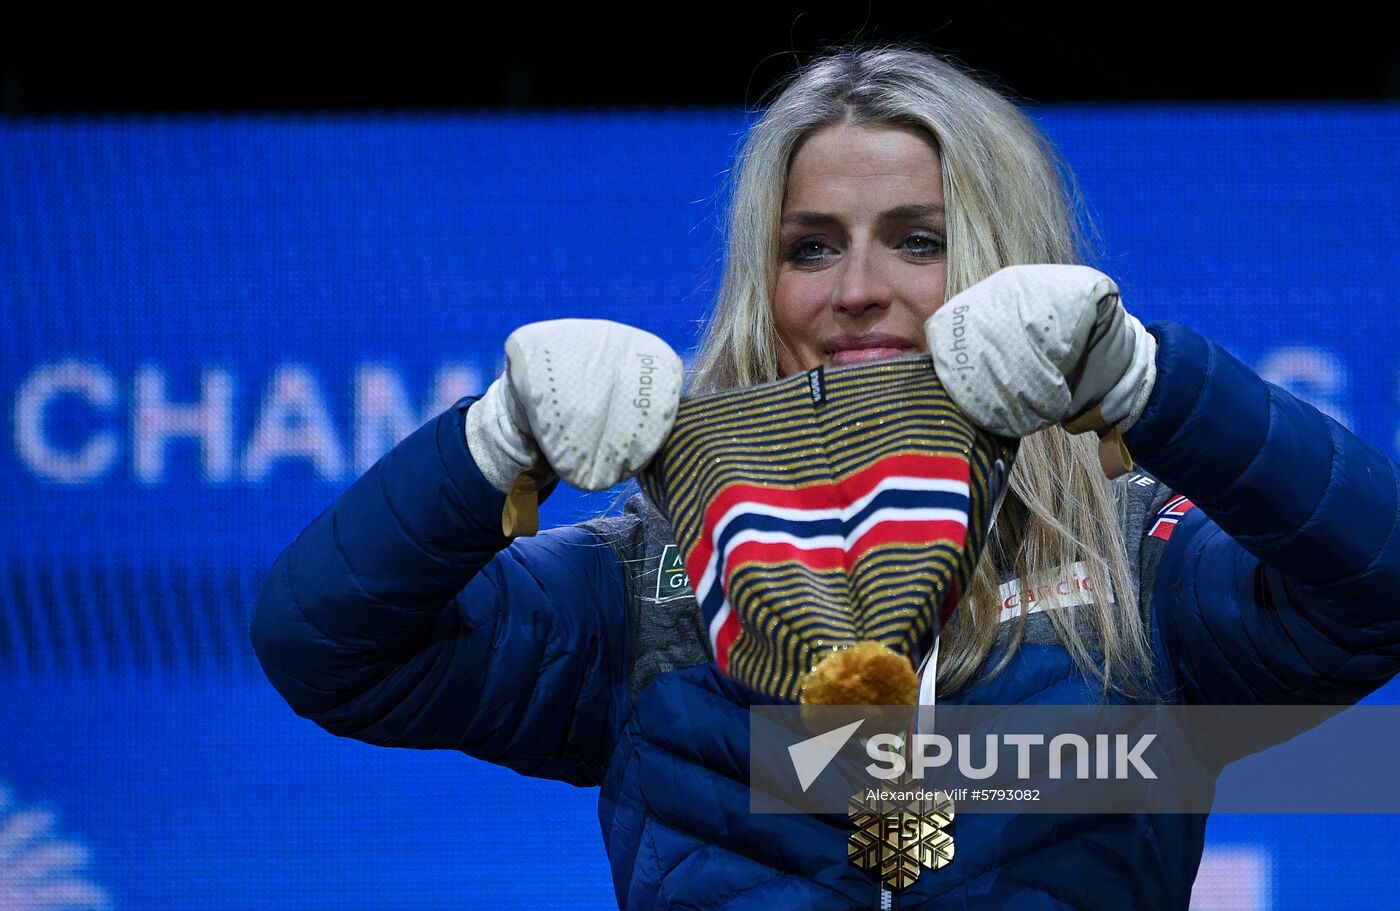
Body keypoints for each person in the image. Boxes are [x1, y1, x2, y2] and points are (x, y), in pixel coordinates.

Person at [249, 47, 1400, 909]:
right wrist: (484, 445)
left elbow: (1377, 587)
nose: (854, 288)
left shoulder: (1126, 556)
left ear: (1010, 260)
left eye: (916, 237)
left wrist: (1154, 385)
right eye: (809, 245)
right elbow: (327, 645)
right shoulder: (655, 577)